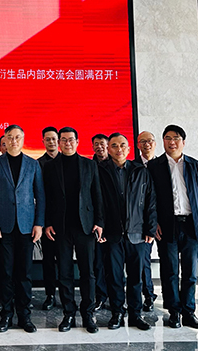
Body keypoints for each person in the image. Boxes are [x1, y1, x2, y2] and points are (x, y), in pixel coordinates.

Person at [149, 125, 198, 330]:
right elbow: (149, 199)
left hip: (191, 225)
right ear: (163, 142)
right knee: (169, 271)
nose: (172, 142)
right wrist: (153, 223)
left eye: (176, 138)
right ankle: (174, 312)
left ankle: (189, 311)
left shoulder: (194, 165)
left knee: (190, 273)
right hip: (167, 225)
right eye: (167, 138)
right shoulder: (155, 166)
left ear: (183, 142)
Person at [42, 127, 102, 333]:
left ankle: (88, 313)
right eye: (64, 140)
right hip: (61, 228)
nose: (67, 143)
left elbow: (97, 195)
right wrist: (47, 222)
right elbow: (46, 197)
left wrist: (99, 222)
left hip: (85, 226)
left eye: (71, 140)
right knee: (65, 272)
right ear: (59, 143)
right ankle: (68, 313)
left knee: (88, 273)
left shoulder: (89, 164)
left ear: (77, 142)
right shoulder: (50, 166)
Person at [0, 125, 45, 334]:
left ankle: (25, 316)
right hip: (4, 227)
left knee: (25, 273)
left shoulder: (33, 164)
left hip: (27, 227)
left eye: (17, 137)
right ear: (4, 139)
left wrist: (39, 223)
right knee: (6, 273)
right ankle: (6, 315)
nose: (13, 141)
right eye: (10, 137)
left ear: (23, 139)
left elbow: (40, 196)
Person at [98, 133, 156, 331]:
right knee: (114, 277)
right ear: (109, 149)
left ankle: (135, 315)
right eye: (114, 145)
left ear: (130, 149)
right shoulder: (101, 171)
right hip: (112, 234)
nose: (119, 149)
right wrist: (100, 227)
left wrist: (150, 228)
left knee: (135, 278)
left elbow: (150, 201)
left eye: (122, 145)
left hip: (137, 233)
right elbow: (98, 202)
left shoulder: (140, 171)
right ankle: (116, 313)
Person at [135, 131, 158, 312]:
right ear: (137, 145)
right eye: (143, 141)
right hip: (142, 224)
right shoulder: (133, 166)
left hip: (163, 221)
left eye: (149, 141)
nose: (146, 144)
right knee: (143, 261)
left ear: (155, 143)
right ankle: (147, 295)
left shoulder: (163, 165)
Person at [37, 126, 59, 311]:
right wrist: (44, 222)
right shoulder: (38, 164)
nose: (51, 142)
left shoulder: (66, 160)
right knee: (49, 261)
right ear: (43, 141)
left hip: (67, 222)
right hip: (47, 221)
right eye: (48, 139)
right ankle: (50, 295)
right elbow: (39, 195)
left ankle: (67, 295)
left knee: (65, 261)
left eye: (54, 138)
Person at [91, 132, 110, 310]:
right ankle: (100, 295)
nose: (99, 147)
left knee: (114, 262)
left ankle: (116, 297)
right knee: (98, 262)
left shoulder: (116, 165)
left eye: (102, 144)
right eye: (96, 144)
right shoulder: (89, 166)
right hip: (96, 223)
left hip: (115, 223)